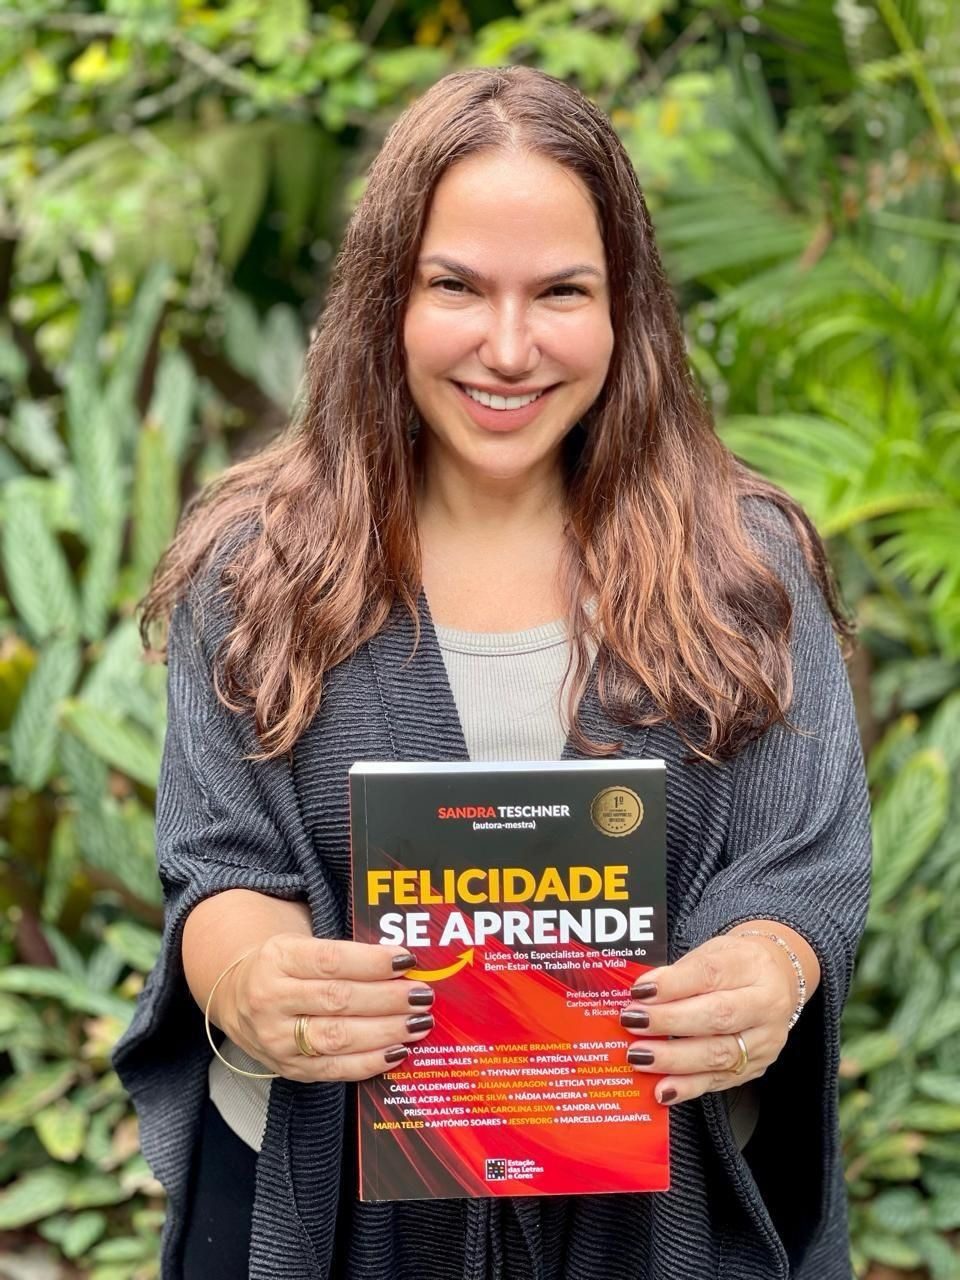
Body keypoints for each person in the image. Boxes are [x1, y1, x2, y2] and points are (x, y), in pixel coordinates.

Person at [112, 65, 872, 1280]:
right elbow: (218, 865)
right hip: (328, 1218)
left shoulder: (744, 561)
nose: (508, 349)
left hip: (659, 1222)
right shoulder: (259, 563)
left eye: (560, 292)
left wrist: (768, 969)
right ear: (386, 298)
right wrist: (251, 977)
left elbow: (807, 864)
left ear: (625, 304)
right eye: (457, 286)